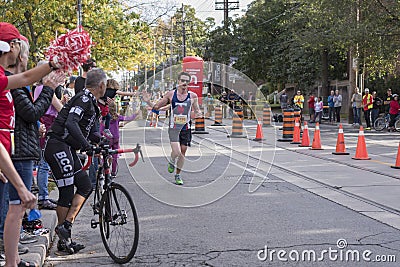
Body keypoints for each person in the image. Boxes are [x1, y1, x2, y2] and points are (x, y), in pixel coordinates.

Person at [4, 39, 64, 267]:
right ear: (20, 56)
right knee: (16, 207)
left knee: (17, 208)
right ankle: (11, 259)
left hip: (21, 148)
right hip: (18, 151)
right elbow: (30, 113)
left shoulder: (19, 83)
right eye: (26, 55)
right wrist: (48, 89)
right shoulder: (14, 84)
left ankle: (14, 258)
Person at [44, 68, 106, 254]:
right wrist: (86, 145)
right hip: (57, 145)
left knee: (86, 186)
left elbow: (84, 128)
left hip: (67, 147)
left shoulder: (90, 101)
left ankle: (66, 227)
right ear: (101, 85)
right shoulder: (84, 98)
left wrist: (99, 140)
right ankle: (64, 241)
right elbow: (71, 123)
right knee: (66, 191)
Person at [143, 71, 202, 185]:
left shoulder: (192, 96)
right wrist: (148, 101)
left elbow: (197, 109)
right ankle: (171, 160)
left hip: (186, 128)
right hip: (174, 127)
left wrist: (199, 113)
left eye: (186, 81)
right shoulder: (171, 94)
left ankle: (178, 175)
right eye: (182, 80)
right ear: (178, 82)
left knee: (183, 152)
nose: (184, 83)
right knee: (177, 151)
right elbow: (157, 106)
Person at [99, 101, 139, 177]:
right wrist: (135, 114)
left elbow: (101, 129)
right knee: (115, 156)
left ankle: (105, 170)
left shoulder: (104, 118)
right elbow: (128, 118)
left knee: (105, 155)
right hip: (116, 138)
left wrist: (100, 136)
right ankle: (113, 172)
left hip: (107, 139)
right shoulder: (117, 117)